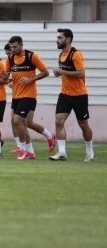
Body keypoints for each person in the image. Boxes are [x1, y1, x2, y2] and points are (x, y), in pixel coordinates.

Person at [4, 35, 54, 160]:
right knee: (25, 123)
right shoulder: (10, 58)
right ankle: (32, 150)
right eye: (11, 47)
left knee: (17, 120)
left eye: (15, 47)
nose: (13, 49)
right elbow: (6, 76)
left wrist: (30, 79)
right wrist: (5, 79)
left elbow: (45, 72)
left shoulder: (32, 56)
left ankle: (22, 149)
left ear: (21, 45)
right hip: (16, 96)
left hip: (29, 95)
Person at [50, 28, 94, 162]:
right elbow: (65, 73)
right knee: (58, 121)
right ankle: (62, 152)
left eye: (60, 38)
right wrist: (58, 73)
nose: (57, 40)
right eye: (57, 38)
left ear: (68, 39)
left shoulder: (76, 54)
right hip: (65, 94)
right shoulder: (61, 54)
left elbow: (81, 73)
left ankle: (89, 151)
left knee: (83, 124)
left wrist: (62, 71)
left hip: (79, 95)